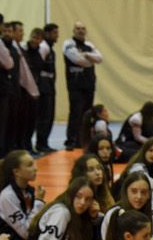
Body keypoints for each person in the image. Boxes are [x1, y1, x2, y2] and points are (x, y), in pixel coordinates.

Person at [62, 22, 101, 150]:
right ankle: (71, 140)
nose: (80, 31)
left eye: (83, 28)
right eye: (78, 28)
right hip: (75, 84)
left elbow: (100, 58)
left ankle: (83, 140)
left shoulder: (89, 45)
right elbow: (78, 60)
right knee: (75, 112)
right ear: (73, 30)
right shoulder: (68, 44)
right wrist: (90, 60)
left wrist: (87, 55)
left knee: (87, 113)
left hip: (89, 83)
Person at [28, 24, 58, 153]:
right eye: (54, 33)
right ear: (47, 34)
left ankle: (43, 142)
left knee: (48, 116)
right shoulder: (44, 48)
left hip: (49, 86)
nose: (57, 35)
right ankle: (41, 143)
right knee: (43, 117)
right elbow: (36, 67)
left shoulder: (51, 49)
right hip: (43, 86)